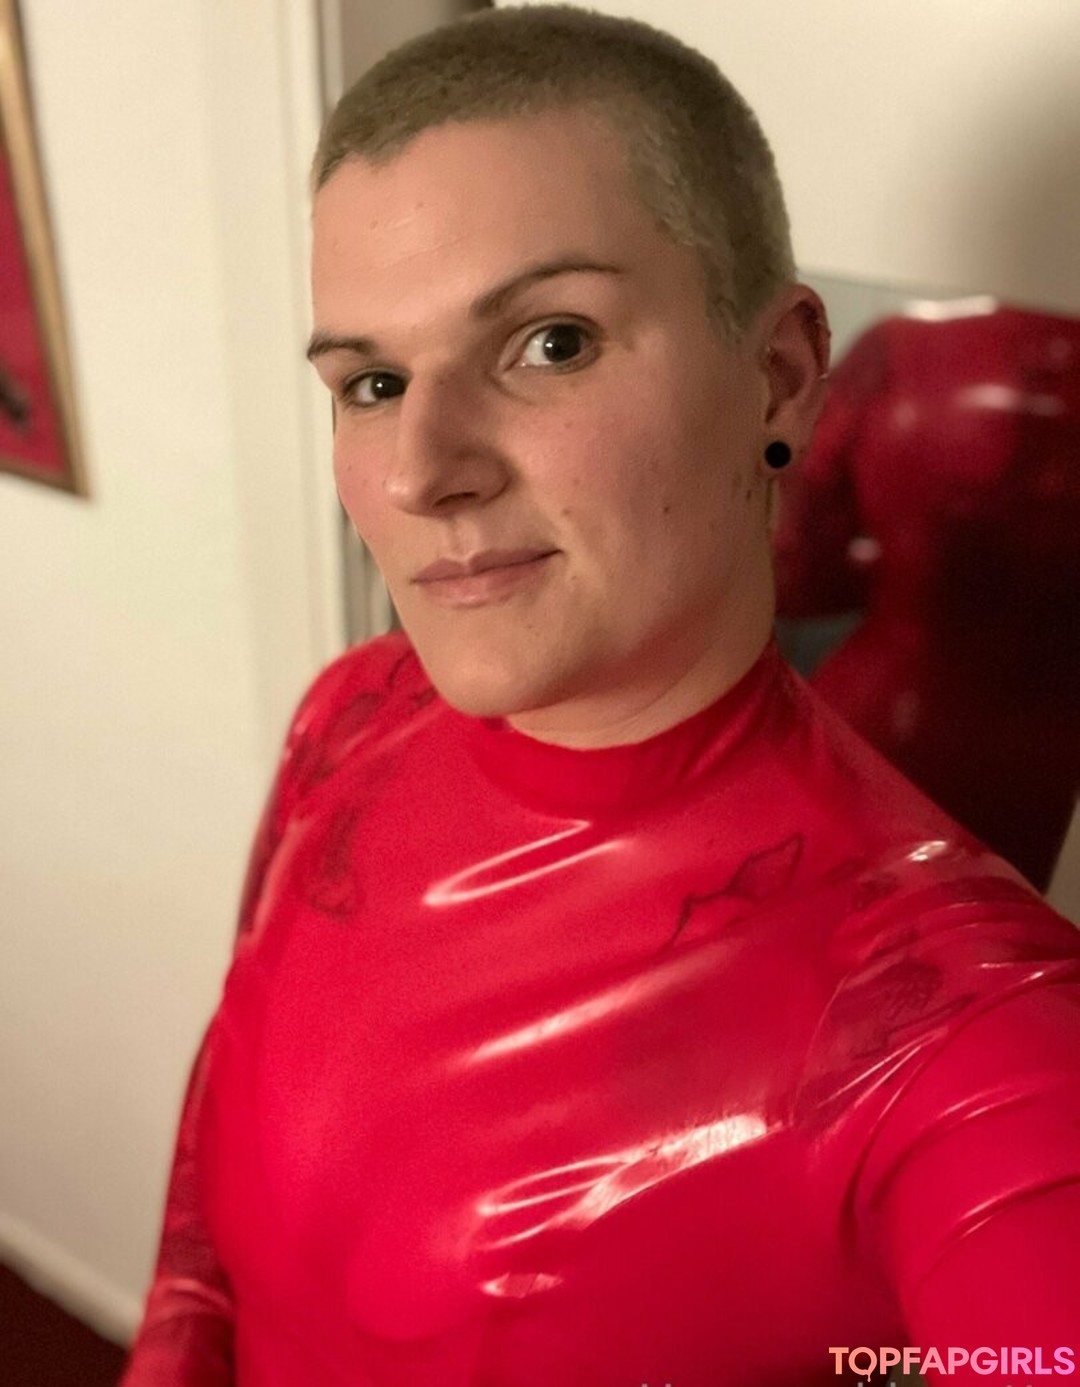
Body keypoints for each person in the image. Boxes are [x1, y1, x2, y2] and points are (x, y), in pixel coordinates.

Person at [121, 8, 1080, 1385]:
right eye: (373, 382)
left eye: (551, 342)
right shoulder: (350, 711)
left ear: (779, 375)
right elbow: (218, 1170)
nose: (420, 471)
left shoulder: (975, 1040)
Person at [774, 302, 1080, 892]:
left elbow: (796, 571)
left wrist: (909, 569)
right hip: (1053, 788)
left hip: (890, 730)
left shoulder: (904, 348)